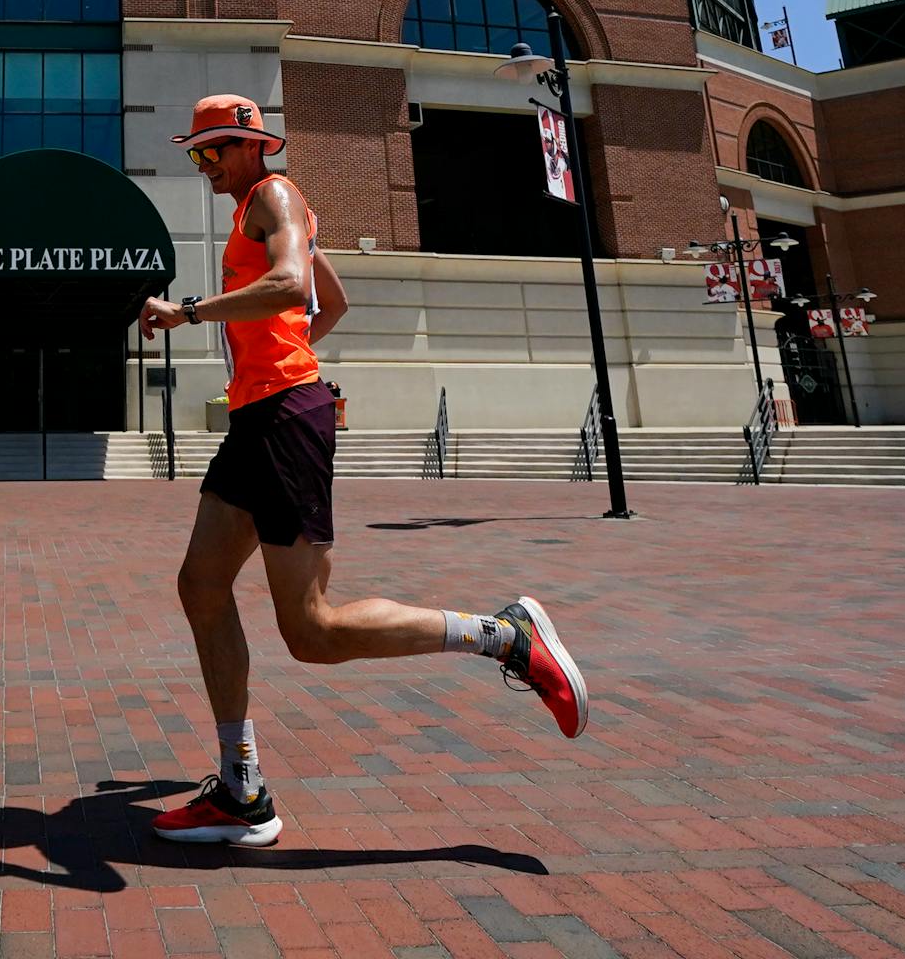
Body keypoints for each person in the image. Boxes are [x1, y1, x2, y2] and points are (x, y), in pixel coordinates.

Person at [138, 95, 589, 849]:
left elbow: (289, 283)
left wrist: (190, 312)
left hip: (284, 418)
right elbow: (330, 299)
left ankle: (503, 635)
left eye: (209, 152)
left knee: (311, 631)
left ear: (248, 146)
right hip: (261, 414)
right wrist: (284, 346)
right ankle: (241, 787)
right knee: (201, 585)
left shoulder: (273, 195)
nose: (203, 166)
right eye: (197, 155)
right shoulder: (262, 204)